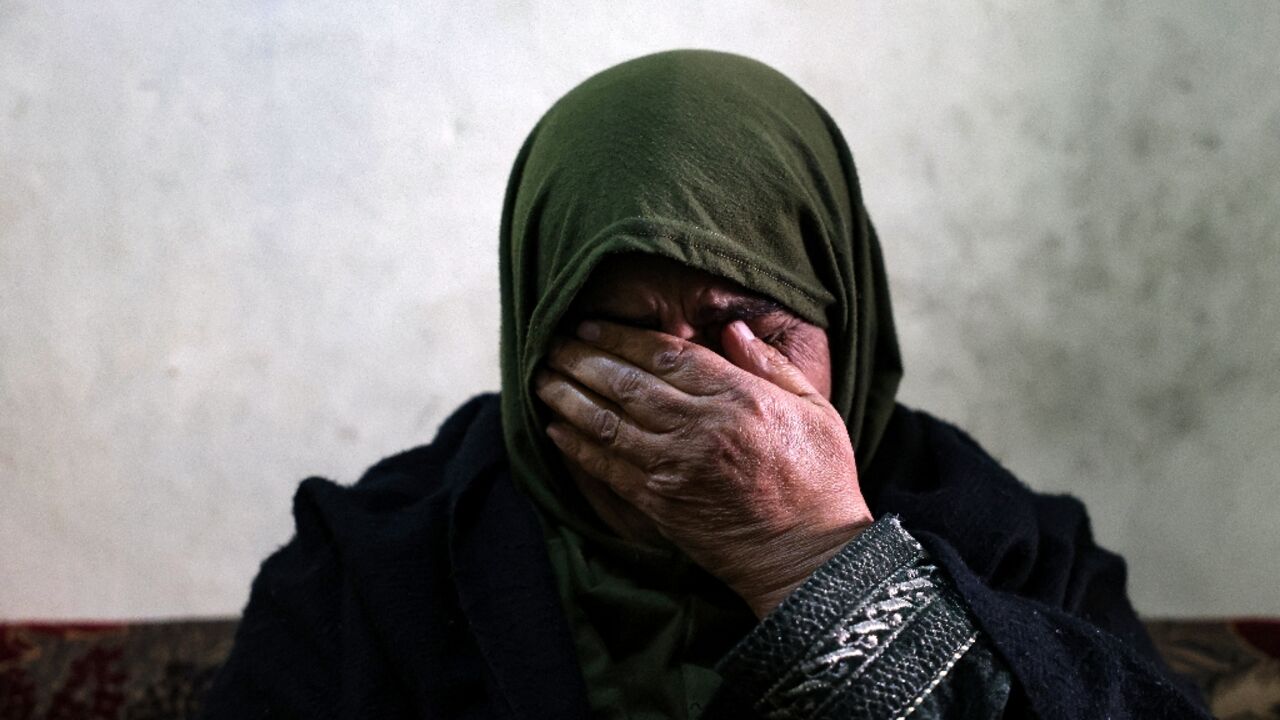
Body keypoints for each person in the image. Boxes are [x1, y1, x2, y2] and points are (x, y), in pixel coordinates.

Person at [202, 50, 1208, 719]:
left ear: (842, 319)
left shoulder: (1008, 543)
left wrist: (809, 557)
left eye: (757, 332)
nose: (701, 401)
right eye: (625, 338)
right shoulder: (372, 566)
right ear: (533, 335)